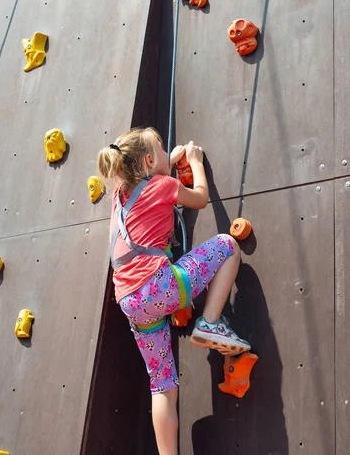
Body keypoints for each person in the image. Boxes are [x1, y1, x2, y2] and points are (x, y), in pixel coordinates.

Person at [97, 127, 251, 455]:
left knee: (162, 385)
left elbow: (151, 170)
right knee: (227, 246)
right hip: (159, 286)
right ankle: (209, 322)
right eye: (163, 150)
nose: (171, 153)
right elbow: (199, 197)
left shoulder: (120, 195)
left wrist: (170, 157)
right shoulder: (163, 186)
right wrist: (193, 161)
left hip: (131, 302)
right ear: (151, 160)